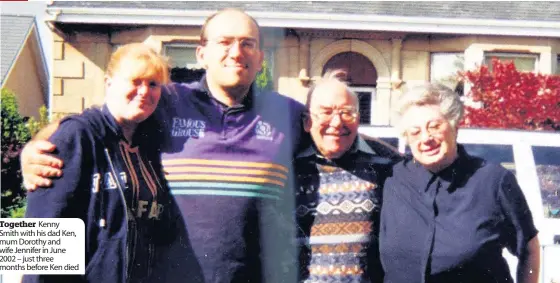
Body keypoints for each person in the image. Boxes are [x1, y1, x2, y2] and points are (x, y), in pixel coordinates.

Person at [21, 8, 304, 283]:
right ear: (201, 54)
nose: (236, 52)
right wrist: (37, 145)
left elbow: (336, 137)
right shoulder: (168, 101)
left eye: (247, 43)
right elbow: (98, 120)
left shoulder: (286, 114)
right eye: (224, 42)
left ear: (261, 58)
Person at [23, 43, 178, 283]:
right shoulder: (77, 137)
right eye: (135, 81)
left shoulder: (151, 142)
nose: (144, 91)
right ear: (109, 83)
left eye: (153, 84)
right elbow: (39, 236)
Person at [379, 83, 540, 283]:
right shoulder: (392, 179)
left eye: (434, 126)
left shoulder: (493, 181)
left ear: (455, 126)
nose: (426, 138)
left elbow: (529, 248)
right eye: (415, 132)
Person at [295, 76, 400, 283]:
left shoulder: (386, 164)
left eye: (346, 113)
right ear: (307, 121)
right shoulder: (285, 168)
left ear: (358, 120)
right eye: (326, 112)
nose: (337, 122)